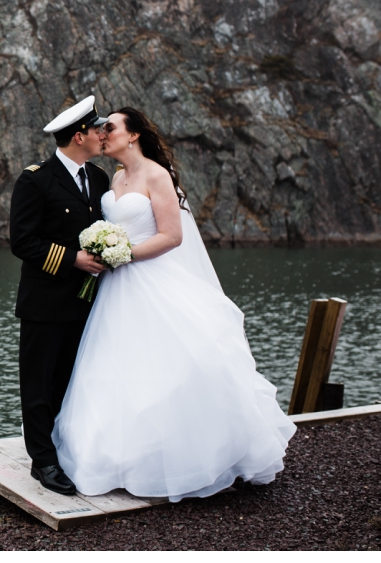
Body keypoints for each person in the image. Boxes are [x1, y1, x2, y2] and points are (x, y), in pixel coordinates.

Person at [52, 107, 297, 502]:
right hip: (115, 290)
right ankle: (120, 458)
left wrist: (122, 253)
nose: (103, 132)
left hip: (149, 279)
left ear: (132, 135)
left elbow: (171, 236)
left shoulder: (156, 174)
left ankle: (191, 458)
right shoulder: (114, 178)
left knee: (170, 365)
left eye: (110, 127)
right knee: (116, 369)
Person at [9, 95, 110, 495]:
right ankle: (43, 462)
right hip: (45, 302)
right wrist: (74, 260)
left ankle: (64, 450)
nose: (104, 135)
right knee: (39, 385)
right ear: (79, 135)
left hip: (87, 303)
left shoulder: (99, 179)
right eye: (98, 129)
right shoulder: (35, 179)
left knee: (70, 381)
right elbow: (22, 242)